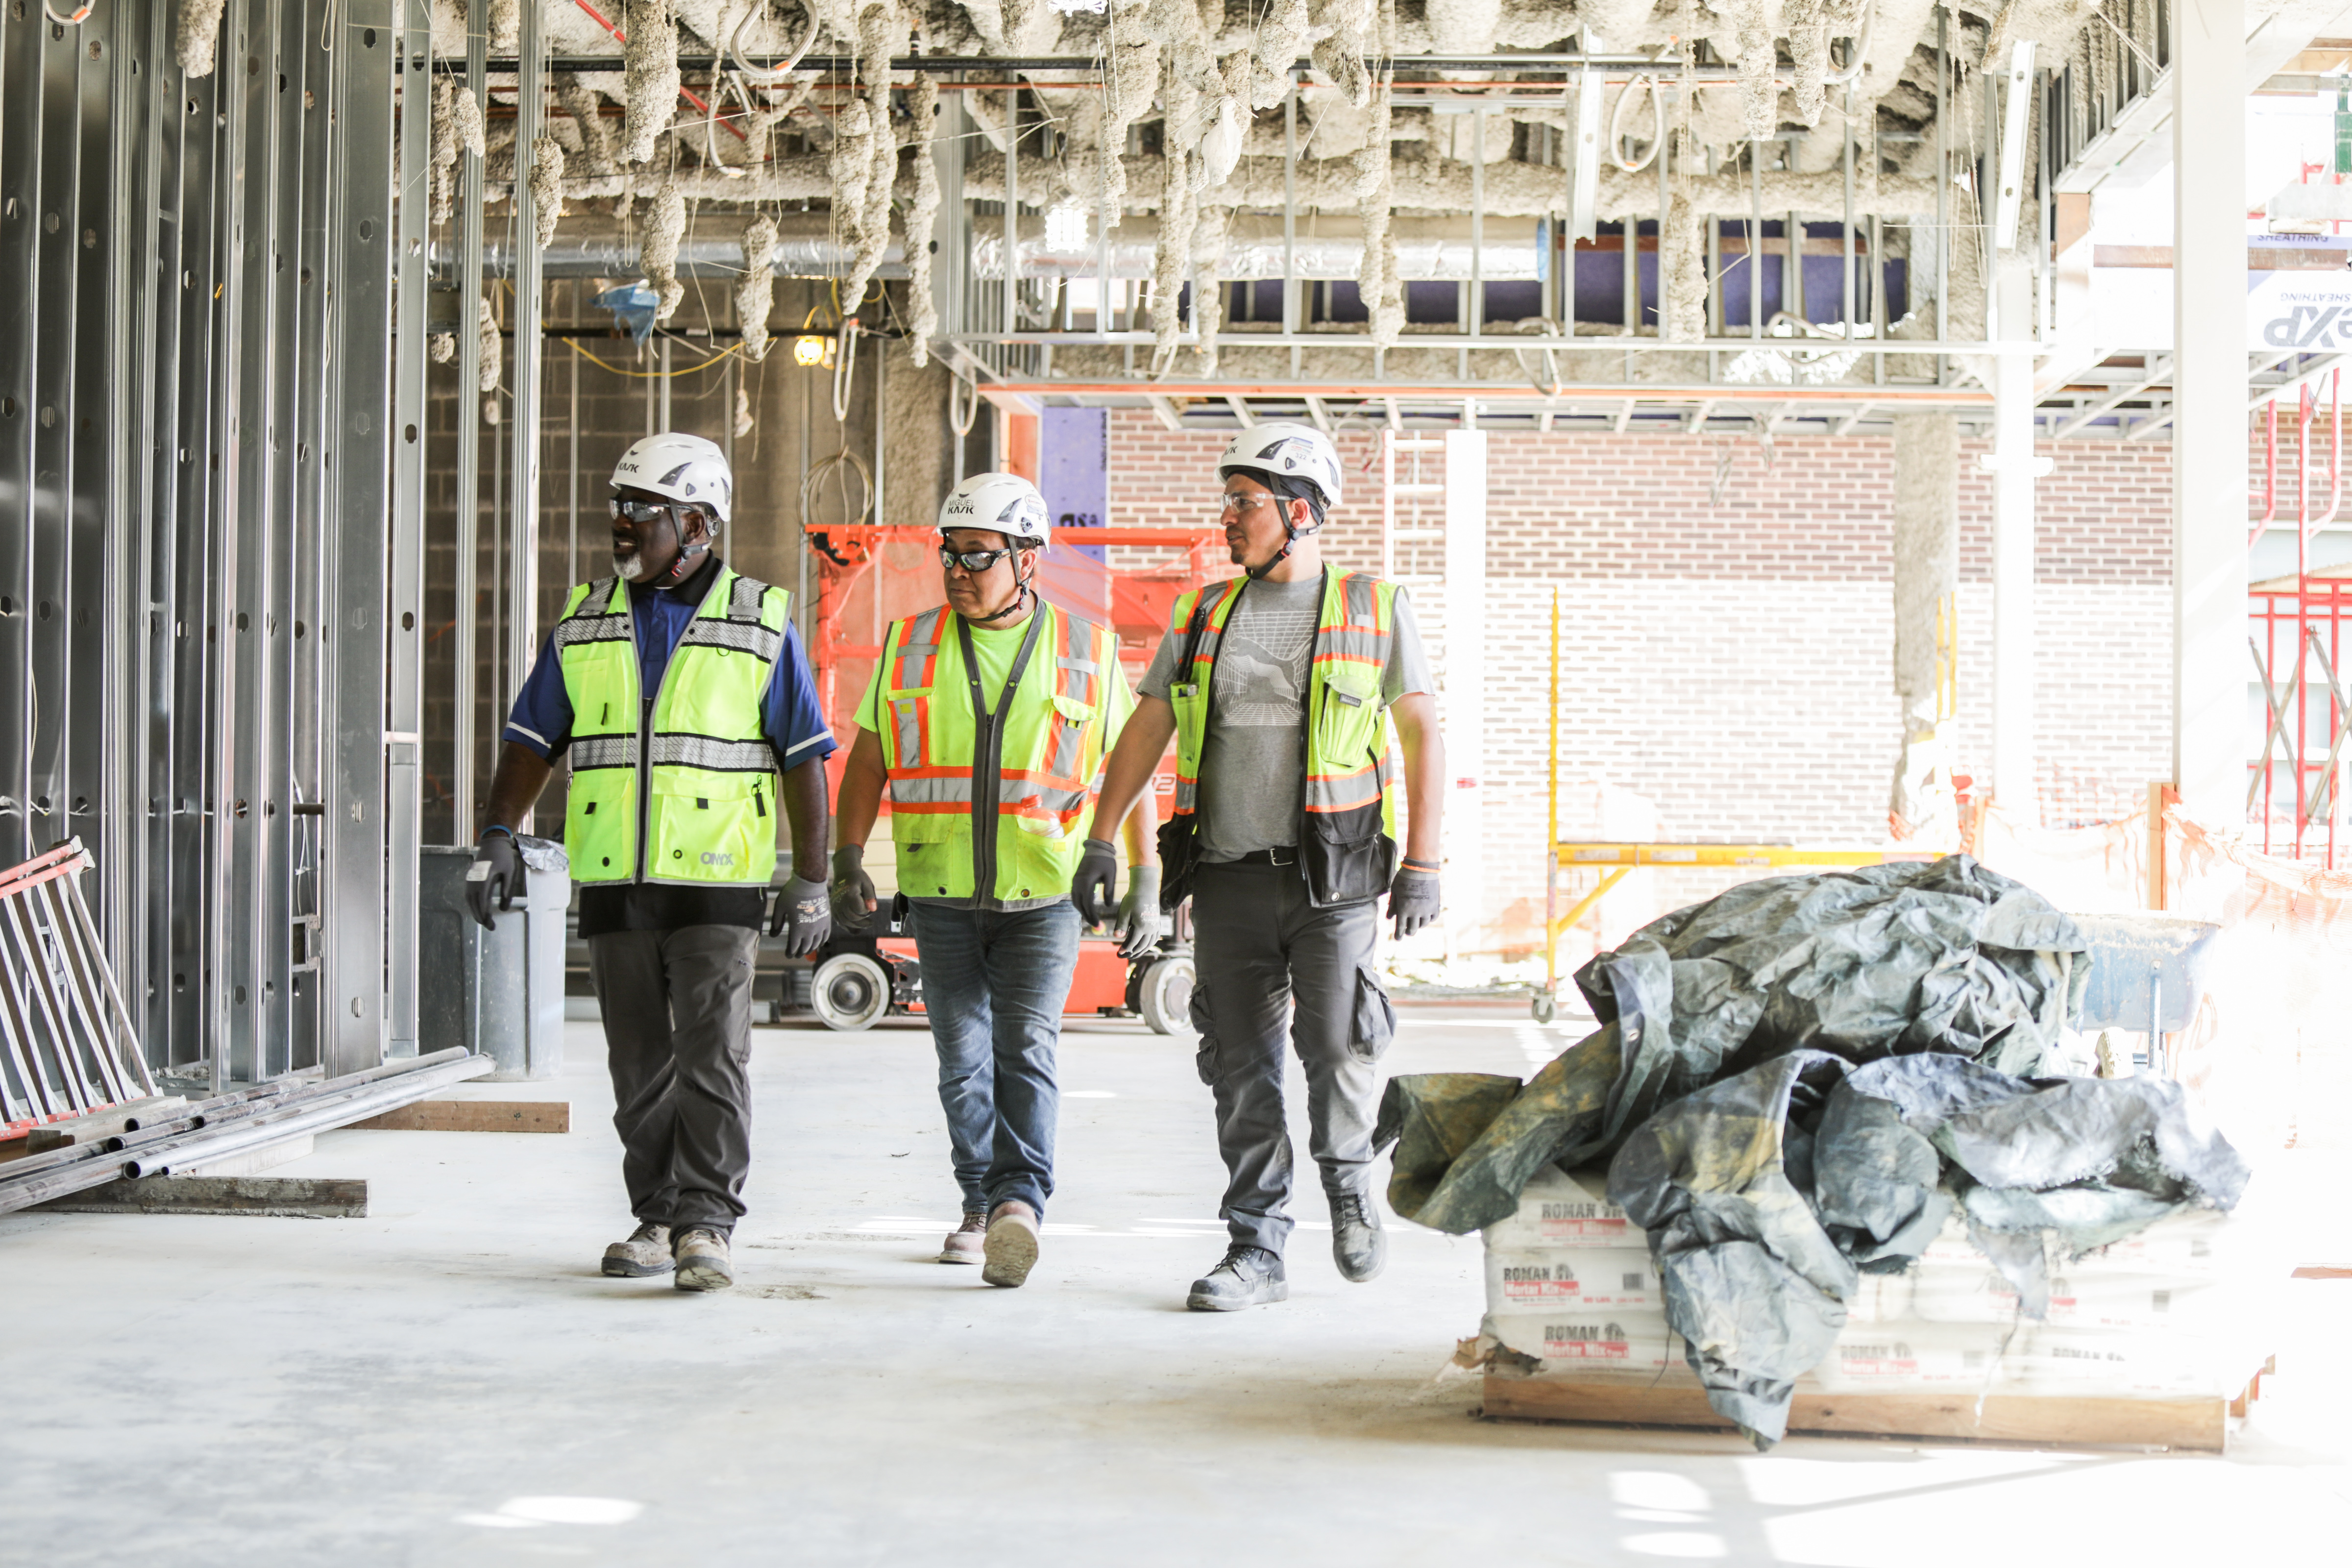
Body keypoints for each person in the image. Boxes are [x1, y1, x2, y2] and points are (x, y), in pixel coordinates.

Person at [1078, 423, 1445, 1312]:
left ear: (1301, 512)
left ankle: (1351, 1186)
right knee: (1240, 1066)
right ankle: (1256, 1249)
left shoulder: (1371, 604)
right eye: (1231, 501)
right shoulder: (1203, 613)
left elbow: (1422, 729)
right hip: (1231, 875)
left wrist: (1426, 860)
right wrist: (1101, 835)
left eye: (1246, 503)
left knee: (1337, 1046)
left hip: (1335, 879)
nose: (1229, 518)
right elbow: (1149, 726)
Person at [468, 432, 835, 1294]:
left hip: (717, 880)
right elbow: (532, 740)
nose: (622, 527)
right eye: (618, 508)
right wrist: (496, 833)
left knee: (711, 1058)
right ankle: (658, 1215)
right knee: (638, 1066)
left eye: (644, 512)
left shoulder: (760, 619)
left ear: (700, 524)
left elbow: (806, 757)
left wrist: (812, 877)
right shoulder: (586, 618)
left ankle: (706, 1221)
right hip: (615, 880)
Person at [831, 472, 1158, 1289]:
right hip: (940, 891)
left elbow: (1132, 764)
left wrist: (1141, 872)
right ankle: (978, 1203)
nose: (960, 571)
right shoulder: (910, 644)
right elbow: (869, 759)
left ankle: (1020, 1204)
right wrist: (842, 858)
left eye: (979, 556)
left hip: (1044, 892)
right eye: (951, 555)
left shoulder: (1087, 648)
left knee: (1027, 1048)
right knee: (961, 1058)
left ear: (1028, 561)